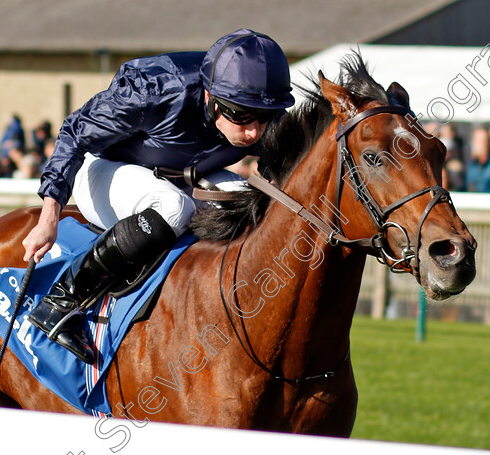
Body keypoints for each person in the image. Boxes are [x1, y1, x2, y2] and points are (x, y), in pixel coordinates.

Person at [21, 29, 295, 363]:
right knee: (172, 206)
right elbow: (74, 134)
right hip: (103, 168)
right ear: (210, 97)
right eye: (240, 115)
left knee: (248, 203)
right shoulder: (158, 90)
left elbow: (277, 177)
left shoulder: (265, 109)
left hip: (178, 173)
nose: (253, 131)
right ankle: (61, 301)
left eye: (263, 117)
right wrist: (49, 216)